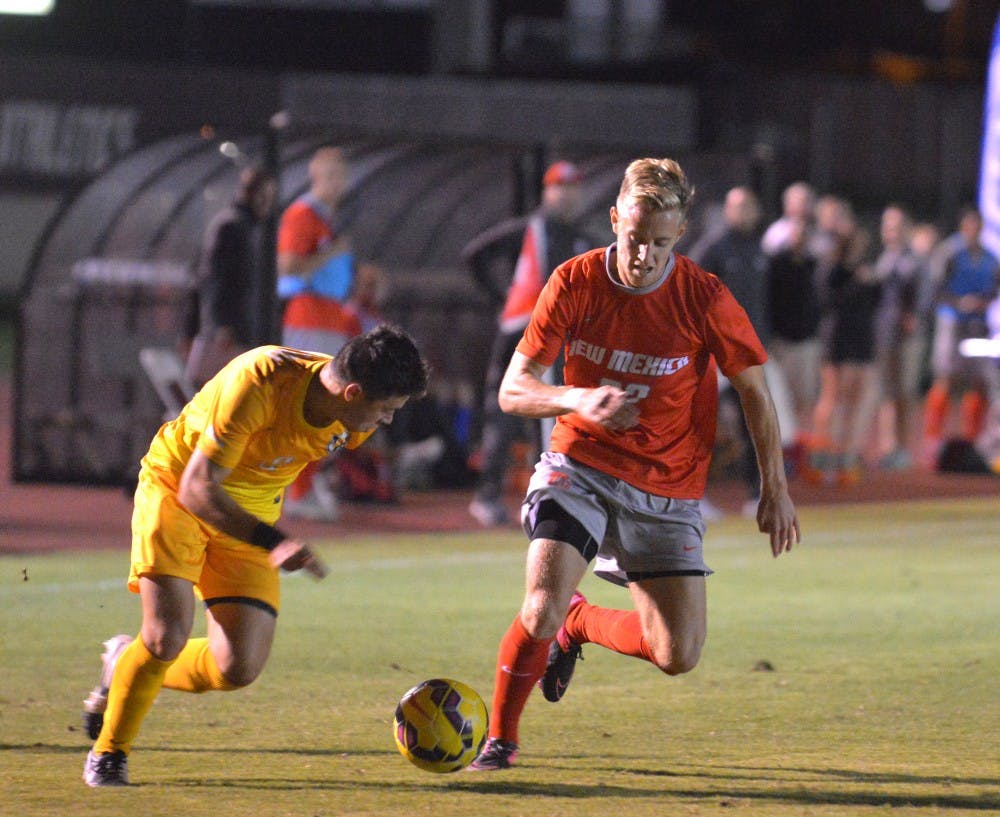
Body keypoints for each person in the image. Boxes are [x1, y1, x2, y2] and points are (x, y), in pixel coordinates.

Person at [468, 158, 799, 771]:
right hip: (580, 465)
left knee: (678, 653)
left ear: (680, 235)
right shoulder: (574, 281)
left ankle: (581, 624)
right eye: (634, 238)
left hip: (668, 487)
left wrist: (773, 489)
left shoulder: (704, 297)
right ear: (615, 218)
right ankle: (500, 740)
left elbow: (755, 391)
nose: (644, 254)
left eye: (661, 243)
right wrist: (576, 399)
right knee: (538, 605)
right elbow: (514, 388)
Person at [81, 325, 430, 787]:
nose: (386, 420)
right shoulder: (260, 380)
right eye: (385, 409)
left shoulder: (350, 418)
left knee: (237, 666)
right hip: (178, 491)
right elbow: (198, 487)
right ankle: (109, 752)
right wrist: (274, 541)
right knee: (166, 636)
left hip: (249, 512)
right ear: (352, 392)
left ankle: (125, 659)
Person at [465, 160, 595, 527]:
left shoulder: (580, 235)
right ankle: (489, 494)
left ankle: (555, 490)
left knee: (559, 412)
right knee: (506, 410)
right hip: (523, 331)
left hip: (561, 337)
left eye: (572, 187)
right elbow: (475, 255)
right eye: (559, 187)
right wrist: (503, 296)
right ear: (546, 192)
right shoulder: (530, 229)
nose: (567, 194)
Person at [693, 186, 797, 514]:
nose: (745, 212)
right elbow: (692, 294)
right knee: (700, 422)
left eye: (750, 205)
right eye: (738, 205)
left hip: (750, 350)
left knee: (757, 422)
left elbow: (766, 303)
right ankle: (694, 496)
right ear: (727, 209)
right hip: (717, 350)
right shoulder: (713, 248)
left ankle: (759, 494)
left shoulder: (759, 248)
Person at [277, 146, 364, 519]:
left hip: (329, 318)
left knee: (327, 408)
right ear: (318, 176)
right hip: (309, 317)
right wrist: (332, 255)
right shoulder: (302, 214)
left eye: (343, 177)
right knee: (309, 405)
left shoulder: (327, 217)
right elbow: (289, 267)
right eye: (333, 176)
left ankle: (303, 484)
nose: (340, 184)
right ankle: (295, 489)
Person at [185, 166, 279, 387]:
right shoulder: (232, 226)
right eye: (264, 197)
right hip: (228, 334)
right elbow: (213, 279)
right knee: (218, 391)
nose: (268, 204)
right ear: (251, 194)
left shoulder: (243, 227)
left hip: (234, 330)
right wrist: (221, 325)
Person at [921, 207, 1000, 462]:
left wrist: (983, 302)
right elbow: (935, 288)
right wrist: (958, 303)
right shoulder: (951, 253)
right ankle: (933, 439)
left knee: (979, 380)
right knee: (946, 377)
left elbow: (995, 287)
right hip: (953, 322)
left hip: (978, 324)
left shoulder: (989, 257)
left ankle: (972, 440)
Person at [871, 205, 923, 470]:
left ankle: (903, 447)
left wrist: (913, 319)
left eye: (897, 226)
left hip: (907, 337)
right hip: (884, 333)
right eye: (888, 227)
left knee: (904, 392)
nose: (892, 232)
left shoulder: (914, 260)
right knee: (887, 392)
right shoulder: (884, 259)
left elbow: (922, 297)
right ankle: (888, 446)